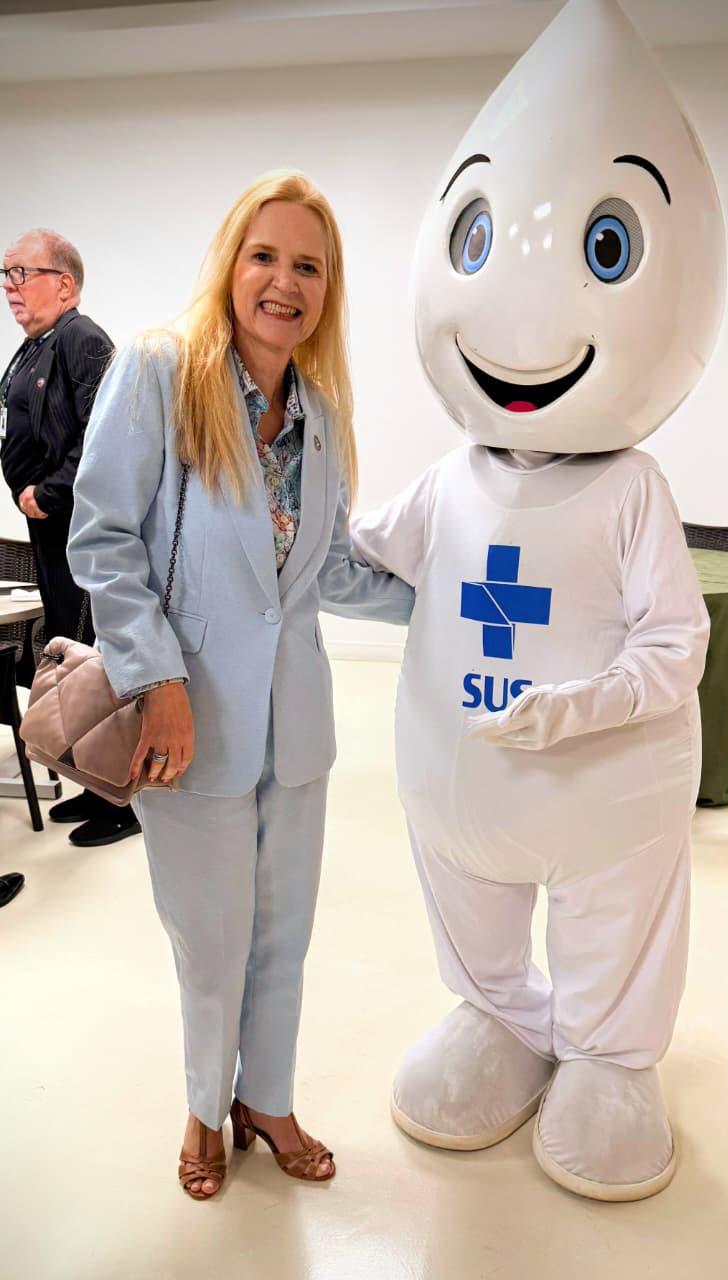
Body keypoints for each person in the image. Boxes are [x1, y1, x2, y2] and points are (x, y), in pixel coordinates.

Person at [349, 0, 723, 1203]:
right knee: (471, 894)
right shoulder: (449, 479)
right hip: (462, 783)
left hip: (606, 787)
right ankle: (501, 1014)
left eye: (607, 249)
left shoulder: (631, 489)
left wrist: (582, 706)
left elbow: (676, 640)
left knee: (618, 906)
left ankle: (608, 1052)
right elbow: (365, 560)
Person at [68, 170, 413, 1200]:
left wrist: (446, 598)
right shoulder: (159, 370)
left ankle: (268, 1097)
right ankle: (204, 1106)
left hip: (296, 729)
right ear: (230, 263)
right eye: (265, 256)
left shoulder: (322, 412)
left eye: (309, 265)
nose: (284, 282)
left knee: (282, 935)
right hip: (186, 724)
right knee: (210, 941)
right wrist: (157, 678)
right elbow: (103, 539)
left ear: (328, 289)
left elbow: (328, 572)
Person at [0, 228, 140, 847]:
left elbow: (104, 439)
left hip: (79, 532)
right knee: (70, 656)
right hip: (52, 534)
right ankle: (91, 782)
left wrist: (48, 492)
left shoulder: (82, 340)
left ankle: (120, 801)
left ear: (64, 284)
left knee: (93, 660)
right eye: (5, 275)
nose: (10, 287)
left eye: (21, 273)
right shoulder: (33, 348)